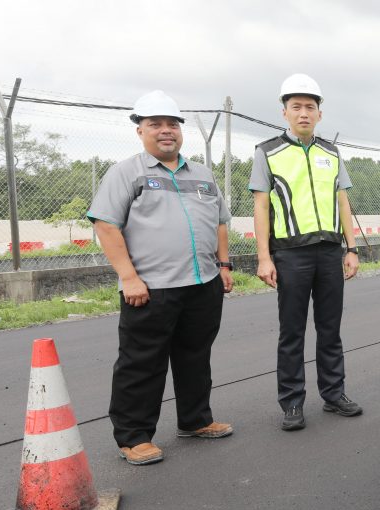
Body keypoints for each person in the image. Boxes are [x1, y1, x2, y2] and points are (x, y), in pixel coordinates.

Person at [87, 90, 233, 466]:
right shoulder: (127, 173)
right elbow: (106, 225)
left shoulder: (202, 174)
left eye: (172, 125)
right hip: (150, 288)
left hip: (202, 284)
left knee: (195, 356)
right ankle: (133, 436)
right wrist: (129, 277)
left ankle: (196, 420)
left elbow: (219, 221)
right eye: (156, 125)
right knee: (142, 362)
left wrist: (224, 265)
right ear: (140, 130)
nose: (166, 131)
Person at [249, 74, 363, 431]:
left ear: (319, 114)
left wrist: (351, 248)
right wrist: (264, 257)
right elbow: (261, 207)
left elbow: (343, 201)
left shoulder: (331, 152)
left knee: (330, 328)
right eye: (296, 107)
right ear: (284, 112)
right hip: (290, 254)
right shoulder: (267, 151)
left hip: (330, 253)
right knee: (292, 331)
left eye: (310, 107)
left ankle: (334, 394)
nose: (303, 113)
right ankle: (292, 402)